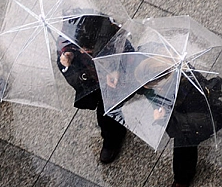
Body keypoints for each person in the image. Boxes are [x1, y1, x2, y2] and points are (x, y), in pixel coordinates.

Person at [133, 57, 222, 187]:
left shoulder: (190, 91)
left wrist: (162, 118)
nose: (146, 88)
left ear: (161, 83)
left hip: (203, 117)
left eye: (148, 85)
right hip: (184, 108)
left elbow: (184, 126)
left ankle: (183, 178)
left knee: (184, 144)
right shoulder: (167, 70)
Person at [57, 14, 127, 164]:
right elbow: (72, 76)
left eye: (87, 50)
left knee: (108, 113)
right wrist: (67, 64)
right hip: (93, 85)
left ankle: (114, 136)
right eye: (80, 48)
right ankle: (112, 136)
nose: (82, 52)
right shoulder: (72, 43)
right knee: (104, 114)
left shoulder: (117, 43)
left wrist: (115, 71)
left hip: (112, 87)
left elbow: (130, 60)